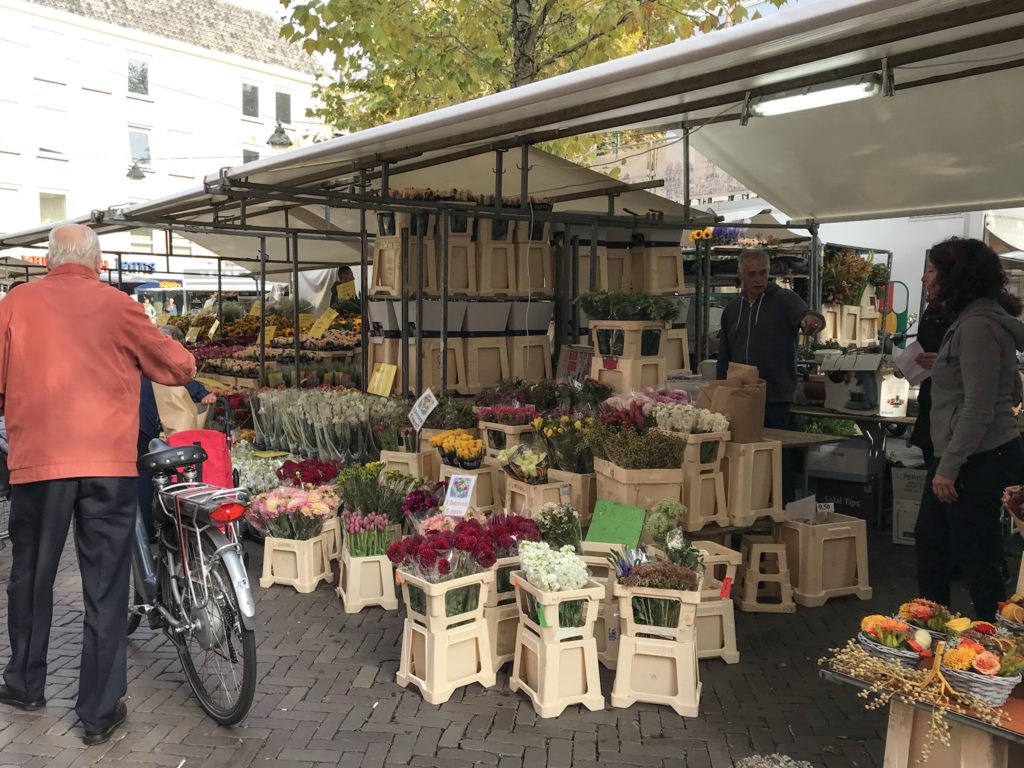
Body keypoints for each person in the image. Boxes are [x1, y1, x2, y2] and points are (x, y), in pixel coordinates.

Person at [0, 224, 195, 745]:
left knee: (30, 577)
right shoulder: (119, 305)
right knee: (106, 584)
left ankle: (25, 682)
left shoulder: (15, 303)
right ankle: (99, 712)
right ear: (99, 262)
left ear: (46, 261)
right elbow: (178, 367)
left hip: (38, 463)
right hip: (108, 465)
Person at [915, 238, 1024, 621]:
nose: (926, 279)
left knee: (975, 558)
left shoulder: (977, 326)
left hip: (977, 458)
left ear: (956, 277)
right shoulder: (977, 319)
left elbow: (979, 407)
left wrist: (949, 466)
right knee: (935, 546)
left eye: (934, 271)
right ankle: (933, 636)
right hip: (970, 454)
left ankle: (989, 649)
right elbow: (1010, 389)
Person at [716, 249, 825, 430]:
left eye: (763, 272)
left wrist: (813, 322)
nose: (758, 279)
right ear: (740, 274)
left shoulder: (784, 300)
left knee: (777, 450)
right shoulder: (732, 309)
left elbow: (811, 316)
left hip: (775, 397)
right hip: (741, 394)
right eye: (752, 274)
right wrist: (720, 388)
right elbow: (724, 354)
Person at [136, 325, 217, 539]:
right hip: (150, 425)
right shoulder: (162, 362)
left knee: (145, 472)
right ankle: (161, 523)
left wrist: (203, 393)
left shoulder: (141, 357)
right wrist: (204, 393)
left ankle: (149, 526)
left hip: (138, 422)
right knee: (153, 472)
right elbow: (182, 378)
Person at [907, 302, 953, 467]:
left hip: (954, 413)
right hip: (928, 403)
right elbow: (922, 345)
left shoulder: (969, 312)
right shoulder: (931, 310)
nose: (924, 279)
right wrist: (907, 364)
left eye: (930, 273)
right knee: (931, 466)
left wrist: (945, 361)